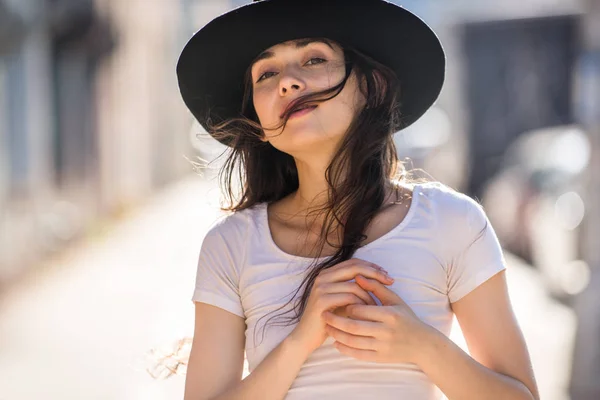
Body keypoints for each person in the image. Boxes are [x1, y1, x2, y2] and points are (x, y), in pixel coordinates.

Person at [175, 1, 540, 399]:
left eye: (314, 59)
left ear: (373, 87)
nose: (287, 82)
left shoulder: (454, 222)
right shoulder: (230, 246)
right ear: (259, 124)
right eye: (267, 73)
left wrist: (422, 345)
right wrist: (301, 341)